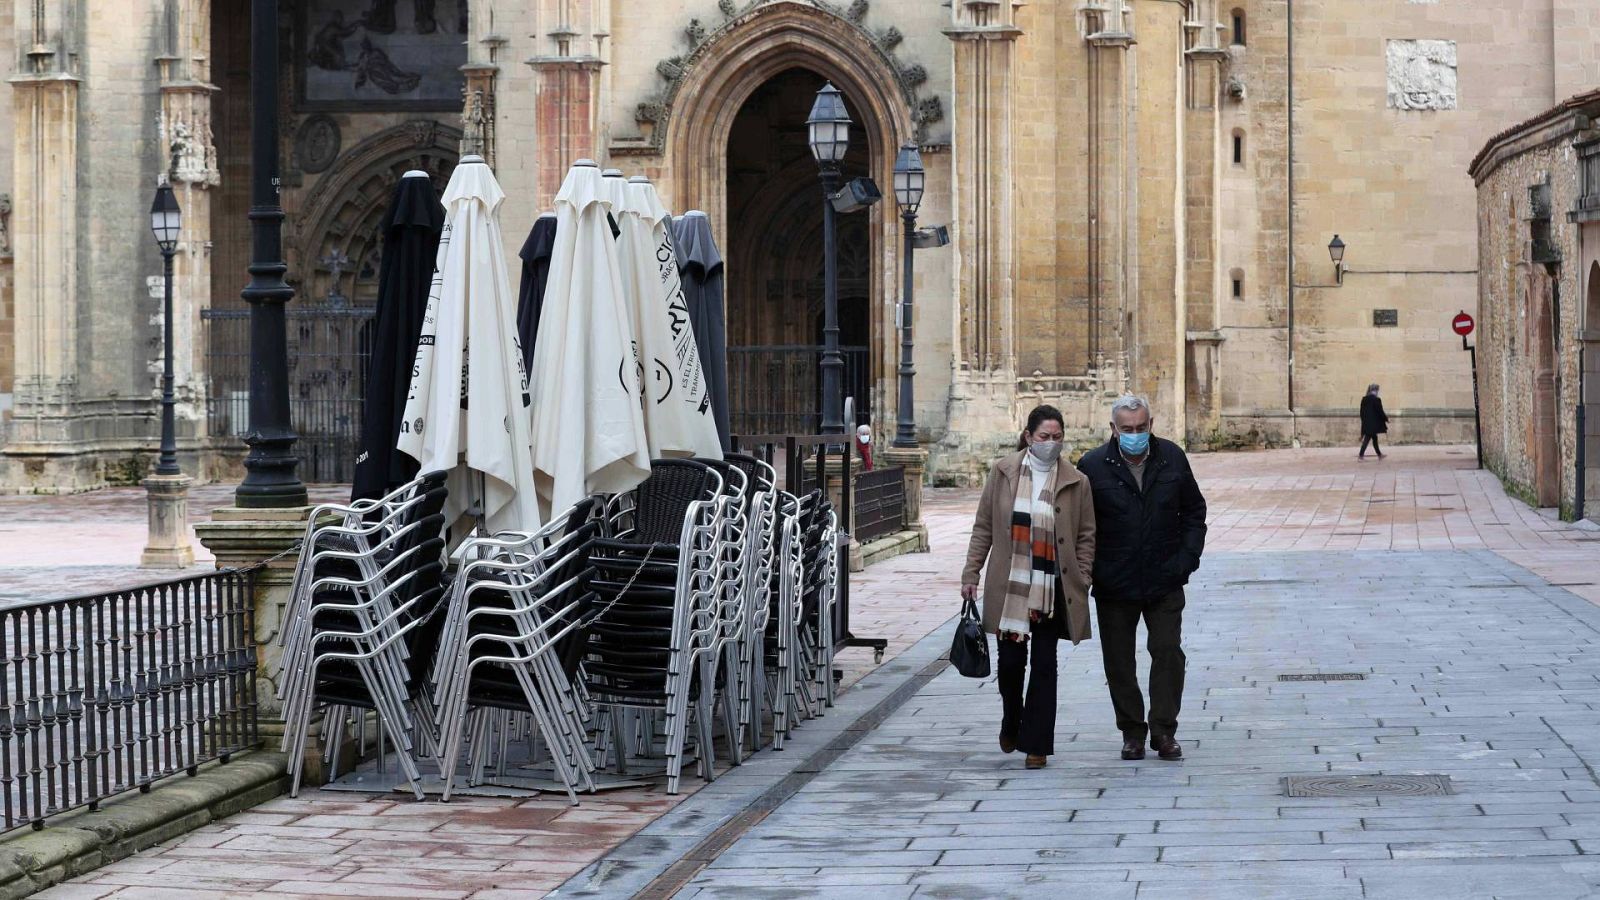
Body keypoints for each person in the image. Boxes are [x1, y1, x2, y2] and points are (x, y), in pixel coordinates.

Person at [961, 405, 1097, 770]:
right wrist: (971, 574)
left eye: (1057, 438)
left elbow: (1086, 534)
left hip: (1053, 588)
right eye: (1044, 437)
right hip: (1011, 587)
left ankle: (1036, 744)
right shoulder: (1003, 472)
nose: (1051, 444)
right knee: (1009, 664)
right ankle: (1011, 719)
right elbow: (984, 527)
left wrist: (1082, 575)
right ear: (1028, 436)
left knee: (1044, 665)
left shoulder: (1075, 480)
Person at [1077, 394, 1206, 762]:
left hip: (1164, 576)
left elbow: (1194, 510)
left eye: (1141, 428)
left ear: (1151, 425)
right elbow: (1081, 524)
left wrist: (1186, 559)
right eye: (1127, 429)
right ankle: (1132, 731)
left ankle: (1164, 730)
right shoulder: (1093, 465)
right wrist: (1095, 570)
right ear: (1113, 430)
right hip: (1114, 581)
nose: (1135, 434)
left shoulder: (1172, 457)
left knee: (1168, 652)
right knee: (1118, 661)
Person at [1359, 384, 1388, 460]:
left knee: (1374, 438)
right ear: (1375, 390)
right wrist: (1386, 419)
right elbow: (1380, 411)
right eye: (1377, 390)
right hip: (1373, 424)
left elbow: (1361, 412)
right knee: (1367, 439)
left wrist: (1364, 421)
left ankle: (1379, 454)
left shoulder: (1364, 399)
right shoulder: (1376, 399)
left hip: (1366, 423)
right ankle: (1361, 455)